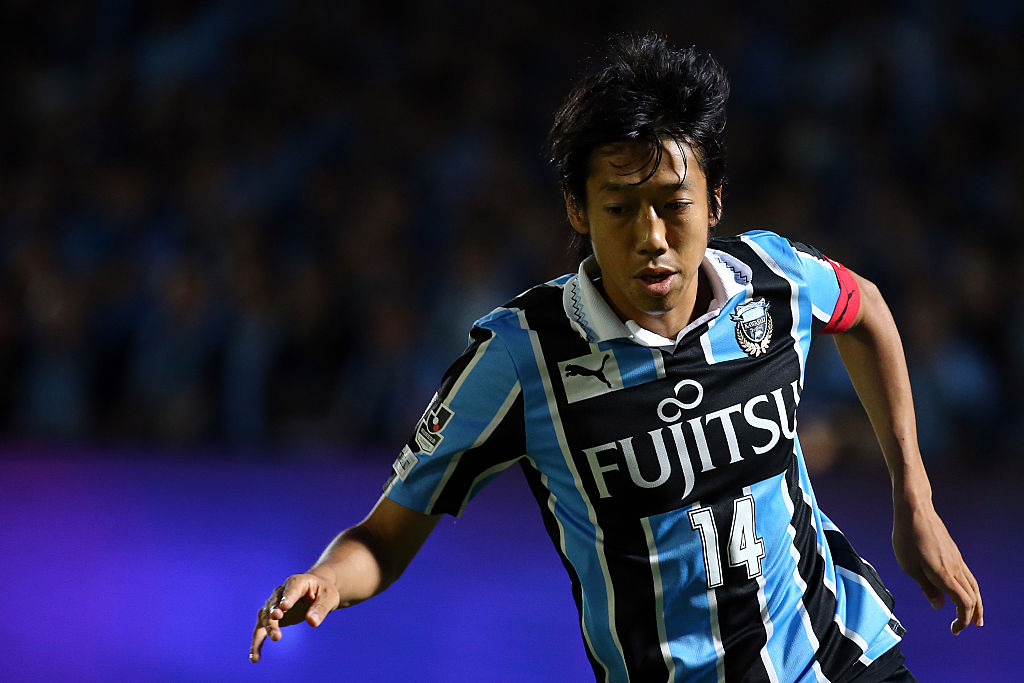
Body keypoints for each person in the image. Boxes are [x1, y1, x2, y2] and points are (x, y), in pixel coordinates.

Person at [250, 33, 982, 681]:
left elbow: (865, 310)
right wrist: (328, 578)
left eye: (673, 203)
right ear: (578, 209)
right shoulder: (520, 357)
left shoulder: (774, 279)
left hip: (841, 657)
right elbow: (384, 536)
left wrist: (912, 499)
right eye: (621, 207)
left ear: (714, 202)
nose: (652, 235)